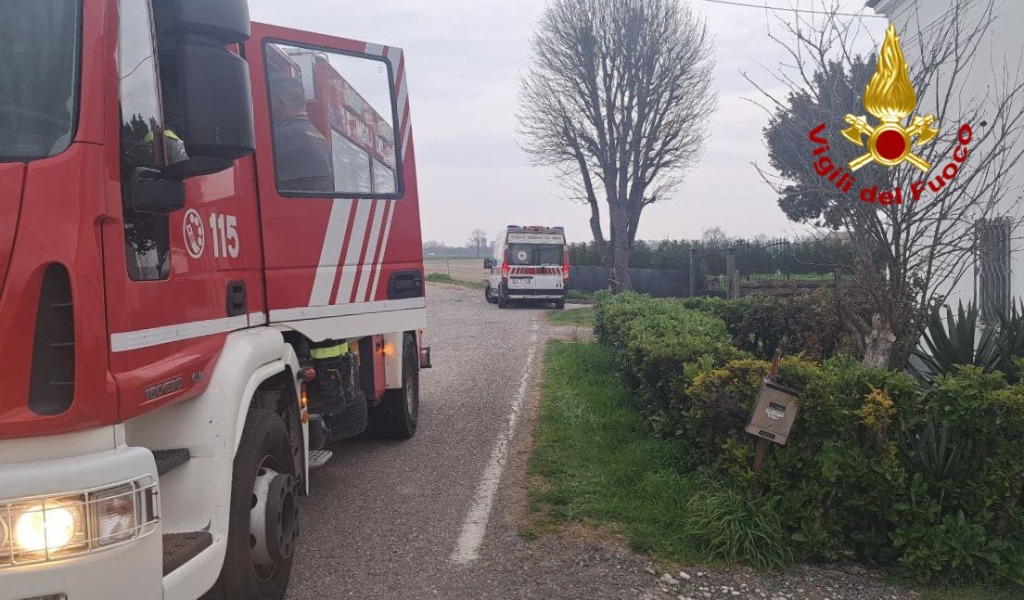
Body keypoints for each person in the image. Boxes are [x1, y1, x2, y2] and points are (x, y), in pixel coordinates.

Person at [269, 75, 334, 193]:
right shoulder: (321, 140)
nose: (267, 107)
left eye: (269, 101)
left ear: (280, 102)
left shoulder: (280, 137)